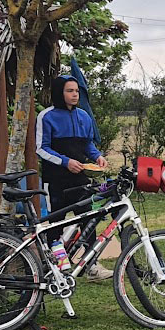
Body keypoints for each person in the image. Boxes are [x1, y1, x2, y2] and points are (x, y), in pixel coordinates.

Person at [38, 75, 112, 281]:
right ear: (59, 93)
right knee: (56, 222)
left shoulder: (84, 117)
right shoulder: (46, 117)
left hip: (80, 179)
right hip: (55, 180)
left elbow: (87, 145)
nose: (74, 95)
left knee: (88, 220)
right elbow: (41, 149)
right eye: (70, 91)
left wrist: (97, 156)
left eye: (76, 91)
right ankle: (57, 265)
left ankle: (92, 265)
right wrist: (65, 162)